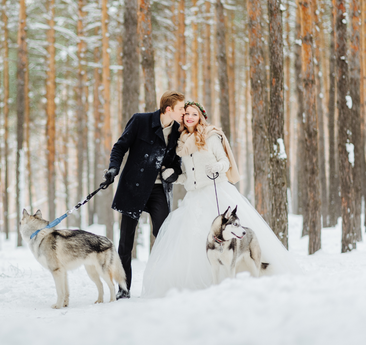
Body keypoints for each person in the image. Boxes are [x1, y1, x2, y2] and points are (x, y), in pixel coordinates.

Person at [141, 101, 301, 297]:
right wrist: (173, 178)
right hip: (194, 198)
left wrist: (218, 167)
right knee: (194, 240)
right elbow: (188, 177)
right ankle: (199, 283)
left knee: (230, 236)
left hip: (216, 191)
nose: (190, 117)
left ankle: (247, 272)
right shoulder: (181, 143)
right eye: (187, 114)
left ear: (201, 117)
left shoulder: (211, 137)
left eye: (194, 114)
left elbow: (224, 161)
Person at [101, 91, 185, 299]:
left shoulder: (178, 131)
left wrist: (174, 173)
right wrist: (113, 169)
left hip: (158, 190)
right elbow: (120, 147)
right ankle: (123, 288)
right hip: (134, 187)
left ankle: (163, 284)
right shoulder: (141, 121)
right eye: (181, 108)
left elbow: (176, 161)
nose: (184, 112)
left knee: (164, 235)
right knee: (125, 242)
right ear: (168, 109)